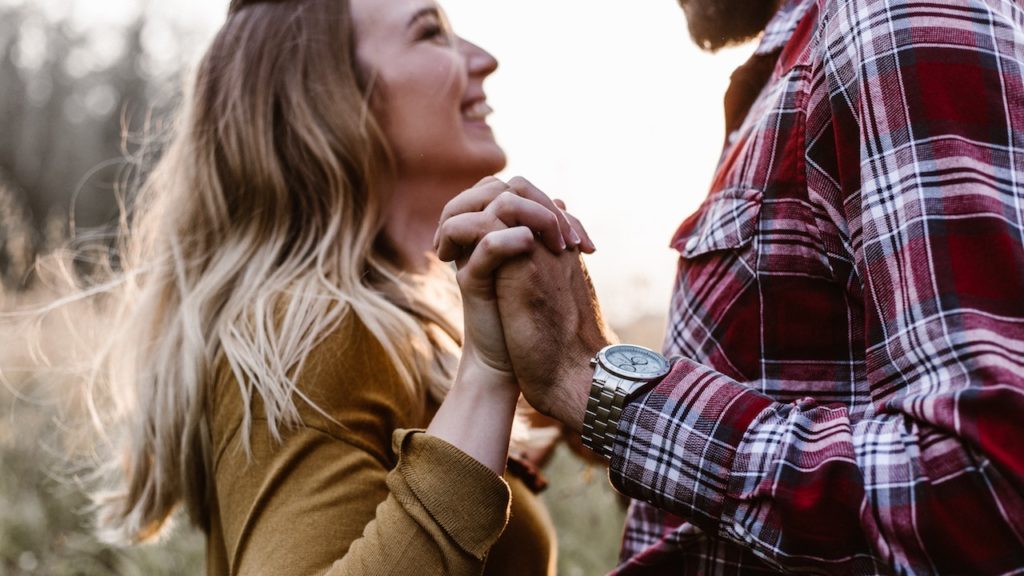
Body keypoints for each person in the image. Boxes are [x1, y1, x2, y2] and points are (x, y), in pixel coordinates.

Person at [437, 0, 1024, 573]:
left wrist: (596, 384)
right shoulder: (807, 58)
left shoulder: (891, 17)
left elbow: (984, 487)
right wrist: (600, 402)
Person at [66, 0, 587, 574]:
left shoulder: (402, 327)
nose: (483, 59)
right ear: (330, 98)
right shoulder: (312, 334)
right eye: (430, 33)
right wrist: (487, 379)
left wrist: (573, 363)